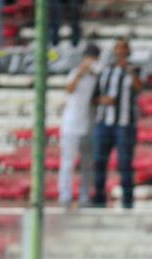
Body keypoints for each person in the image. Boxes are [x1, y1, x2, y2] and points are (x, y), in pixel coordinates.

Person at [91, 39, 142, 209]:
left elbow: (139, 88)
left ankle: (127, 202)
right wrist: (103, 100)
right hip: (103, 123)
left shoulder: (134, 69)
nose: (120, 51)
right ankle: (99, 200)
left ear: (128, 51)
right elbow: (94, 96)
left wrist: (130, 71)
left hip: (125, 124)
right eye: (117, 48)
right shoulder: (105, 70)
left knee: (125, 164)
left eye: (123, 48)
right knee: (99, 161)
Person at [59, 44, 101, 209]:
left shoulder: (96, 77)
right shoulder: (75, 73)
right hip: (71, 124)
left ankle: (85, 196)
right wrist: (80, 73)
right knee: (68, 162)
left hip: (88, 125)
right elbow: (69, 89)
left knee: (87, 164)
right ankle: (65, 196)